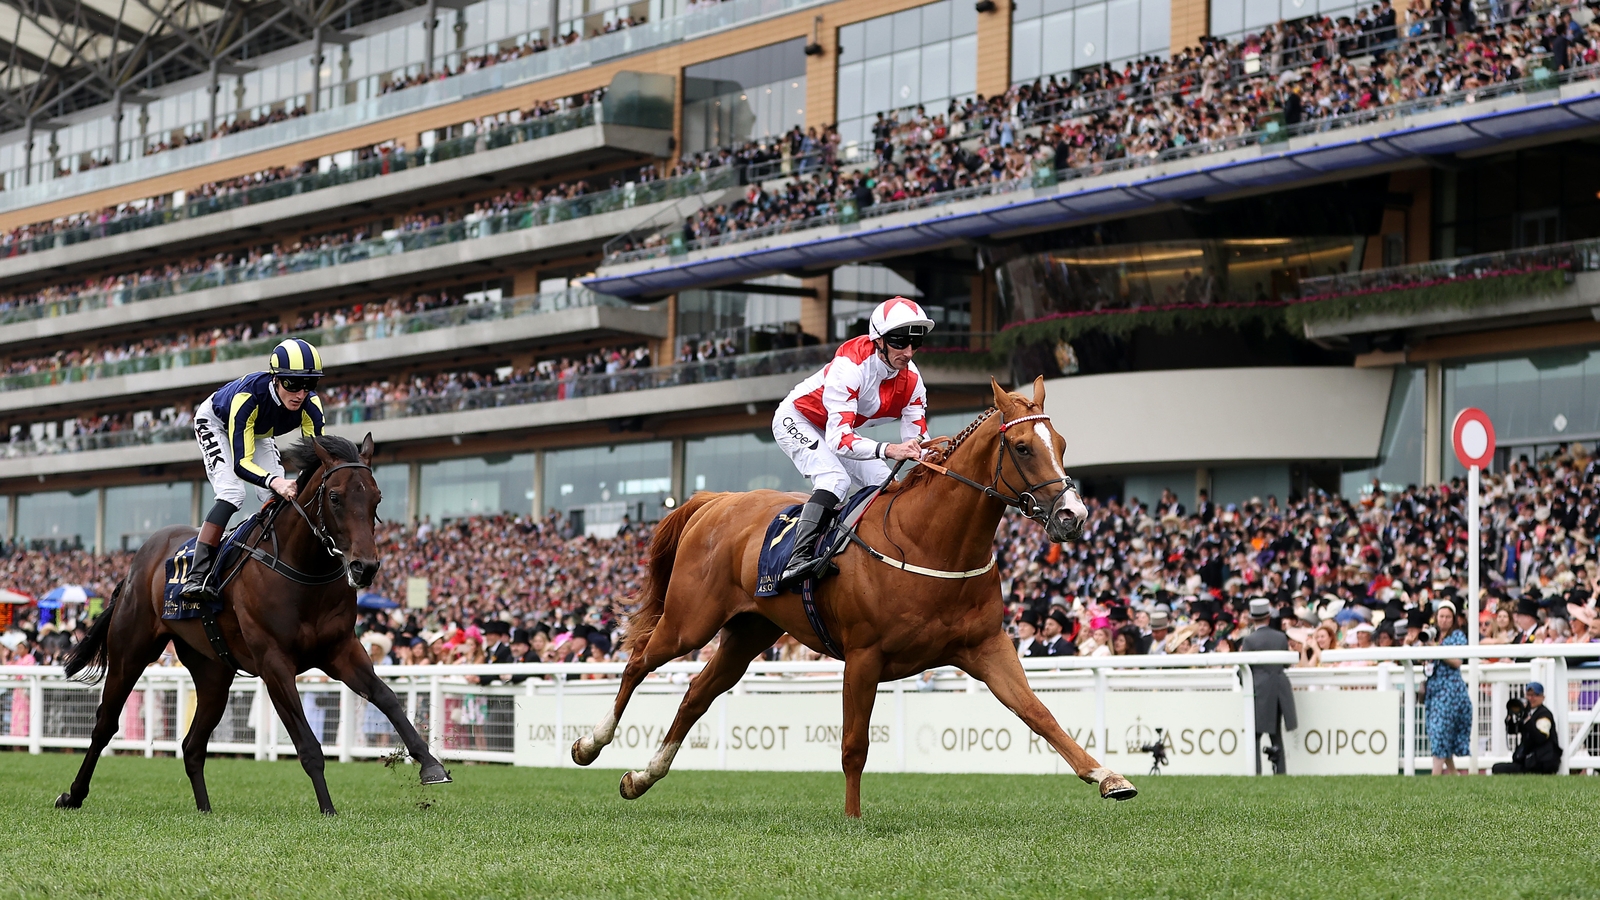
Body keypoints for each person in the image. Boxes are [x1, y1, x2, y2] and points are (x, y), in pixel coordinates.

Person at [771, 297, 932, 587]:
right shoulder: (850, 366)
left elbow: (917, 438)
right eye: (900, 342)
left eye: (915, 344)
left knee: (886, 483)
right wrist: (889, 449)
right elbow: (839, 439)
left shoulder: (913, 381)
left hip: (839, 430)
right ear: (879, 340)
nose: (908, 352)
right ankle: (797, 559)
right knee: (835, 480)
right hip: (799, 420)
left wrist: (932, 455)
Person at [182, 338, 327, 602]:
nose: (300, 394)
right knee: (232, 492)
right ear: (275, 379)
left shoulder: (311, 405)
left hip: (258, 429)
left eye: (309, 385)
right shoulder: (248, 397)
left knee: (275, 495)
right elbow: (241, 464)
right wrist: (276, 480)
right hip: (217, 422)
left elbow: (316, 461)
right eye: (292, 384)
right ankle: (197, 572)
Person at [1239, 598, 1297, 774]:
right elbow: (1286, 664)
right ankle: (1280, 772)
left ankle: (1255, 772)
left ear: (1252, 618)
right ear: (1269, 616)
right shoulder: (1280, 637)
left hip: (1259, 690)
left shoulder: (1249, 640)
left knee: (1255, 735)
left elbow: (1245, 669)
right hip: (1279, 689)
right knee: (1276, 734)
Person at [1424, 601, 1472, 774]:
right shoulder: (1431, 636)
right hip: (1433, 690)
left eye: (1448, 617)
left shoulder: (1457, 636)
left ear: (1453, 619)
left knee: (1440, 732)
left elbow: (1457, 661)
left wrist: (1436, 650)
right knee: (1440, 733)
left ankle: (1435, 777)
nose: (1444, 620)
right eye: (1441, 616)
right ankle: (1454, 775)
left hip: (1451, 691)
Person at [1491, 682, 1562, 774]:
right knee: (1497, 768)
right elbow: (1513, 731)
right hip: (1529, 761)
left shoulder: (1544, 714)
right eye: (1528, 695)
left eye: (1535, 695)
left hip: (1542, 762)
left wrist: (1527, 720)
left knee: (1499, 769)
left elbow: (1540, 737)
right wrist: (1511, 718)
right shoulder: (1527, 713)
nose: (1531, 698)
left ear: (1543, 698)